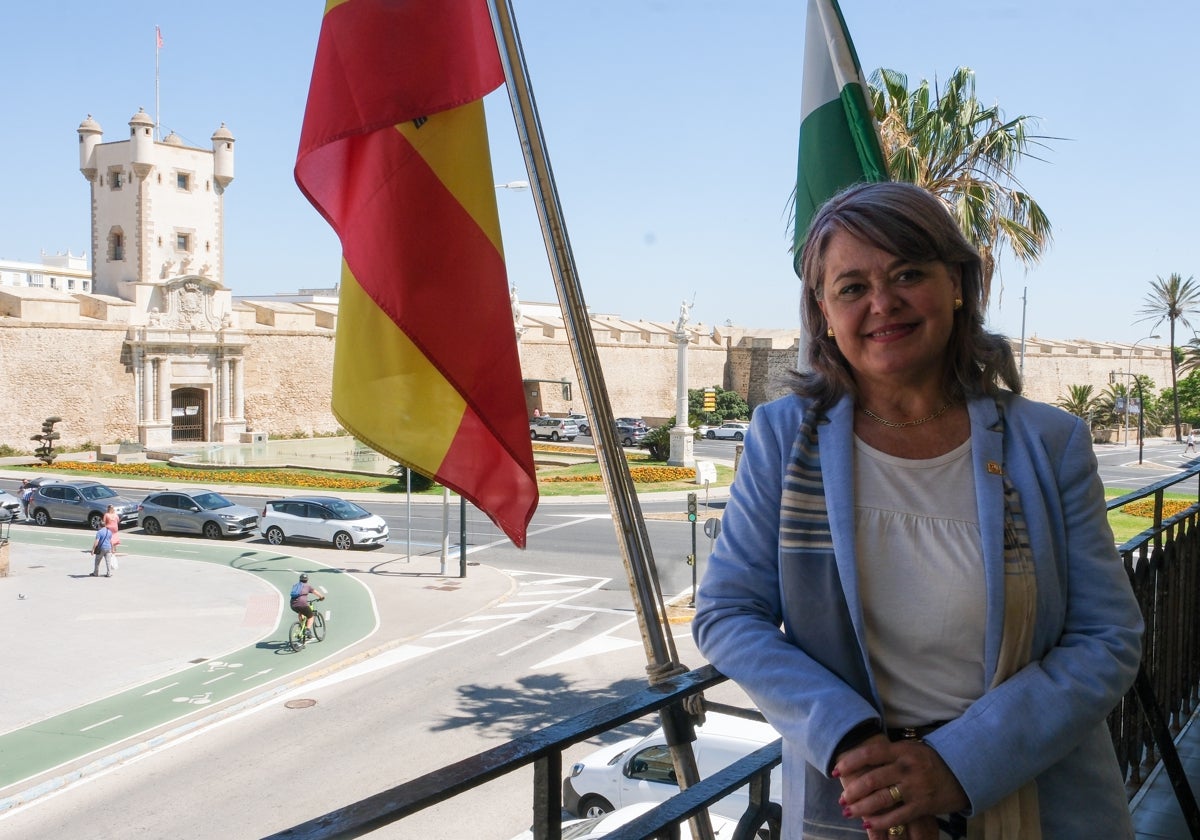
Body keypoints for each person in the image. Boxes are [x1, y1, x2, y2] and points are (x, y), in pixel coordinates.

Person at [692, 181, 1143, 839]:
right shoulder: (784, 440)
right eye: (851, 287)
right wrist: (848, 740)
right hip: (859, 800)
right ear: (822, 311)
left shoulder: (1047, 444)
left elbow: (1108, 638)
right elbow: (729, 614)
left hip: (1037, 797)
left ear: (957, 285)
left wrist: (955, 765)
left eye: (909, 274)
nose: (883, 303)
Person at [290, 573, 325, 639]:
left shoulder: (295, 585)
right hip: (302, 604)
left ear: (300, 579)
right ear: (307, 580)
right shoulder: (307, 586)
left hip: (293, 604)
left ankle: (302, 626)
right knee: (310, 616)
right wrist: (322, 597)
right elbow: (315, 592)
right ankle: (307, 630)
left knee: (300, 612)